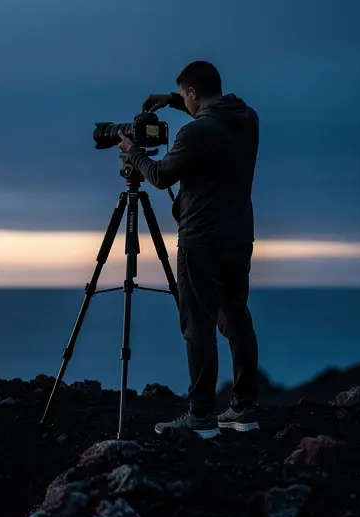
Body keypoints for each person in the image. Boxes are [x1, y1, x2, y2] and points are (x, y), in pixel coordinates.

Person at [116, 60, 261, 438]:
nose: (182, 100)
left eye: (183, 94)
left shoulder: (195, 134)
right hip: (238, 236)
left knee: (198, 325)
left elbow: (161, 175)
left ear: (193, 93)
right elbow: (213, 111)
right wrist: (171, 100)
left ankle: (200, 415)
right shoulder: (248, 119)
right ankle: (244, 409)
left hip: (200, 240)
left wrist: (133, 153)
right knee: (236, 318)